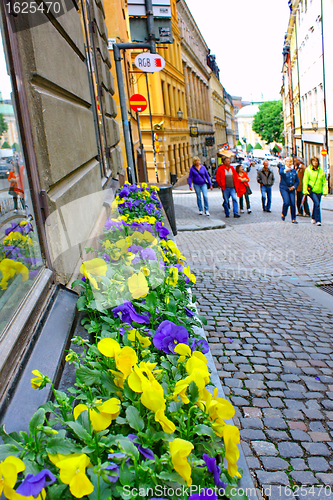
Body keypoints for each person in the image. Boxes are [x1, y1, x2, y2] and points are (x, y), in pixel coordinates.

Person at [302, 156, 328, 226]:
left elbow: (324, 181)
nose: (315, 162)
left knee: (316, 204)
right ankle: (318, 220)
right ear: (311, 162)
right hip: (312, 190)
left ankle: (313, 217)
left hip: (319, 190)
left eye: (316, 161)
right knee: (317, 204)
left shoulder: (320, 171)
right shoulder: (308, 170)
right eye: (313, 161)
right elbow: (305, 180)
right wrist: (305, 190)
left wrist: (325, 190)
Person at [279, 157, 299, 223]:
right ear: (285, 163)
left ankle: (293, 218)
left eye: (290, 162)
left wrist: (294, 187)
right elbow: (281, 172)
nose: (289, 163)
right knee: (286, 202)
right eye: (287, 162)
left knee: (293, 203)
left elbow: (297, 181)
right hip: (284, 188)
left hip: (291, 188)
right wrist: (286, 170)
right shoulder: (282, 169)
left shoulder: (293, 171)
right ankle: (284, 213)